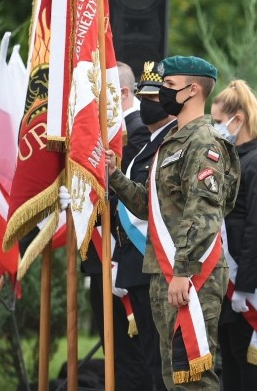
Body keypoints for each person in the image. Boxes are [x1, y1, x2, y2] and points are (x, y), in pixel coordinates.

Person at [106, 55, 240, 390]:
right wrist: (114, 176)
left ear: (192, 90)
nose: (161, 94)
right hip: (164, 273)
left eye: (168, 86)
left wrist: (182, 271)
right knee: (171, 375)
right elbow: (148, 207)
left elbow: (204, 211)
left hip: (192, 274)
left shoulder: (205, 141)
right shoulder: (172, 143)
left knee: (193, 374)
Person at [83, 60, 151, 390]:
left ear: (122, 93)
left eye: (100, 94)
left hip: (122, 256)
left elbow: (130, 196)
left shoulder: (136, 131)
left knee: (129, 358)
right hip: (105, 257)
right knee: (115, 354)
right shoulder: (115, 131)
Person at [113, 60, 179, 391]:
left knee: (162, 360)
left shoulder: (170, 143)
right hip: (138, 263)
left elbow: (147, 202)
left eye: (152, 98)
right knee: (153, 360)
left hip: (154, 264)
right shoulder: (150, 143)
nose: (144, 104)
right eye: (143, 96)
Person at [209, 79, 257, 389]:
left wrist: (246, 284)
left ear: (239, 119)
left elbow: (256, 227)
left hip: (245, 277)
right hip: (226, 277)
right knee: (229, 354)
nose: (216, 129)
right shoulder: (232, 160)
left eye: (219, 122)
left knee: (246, 355)